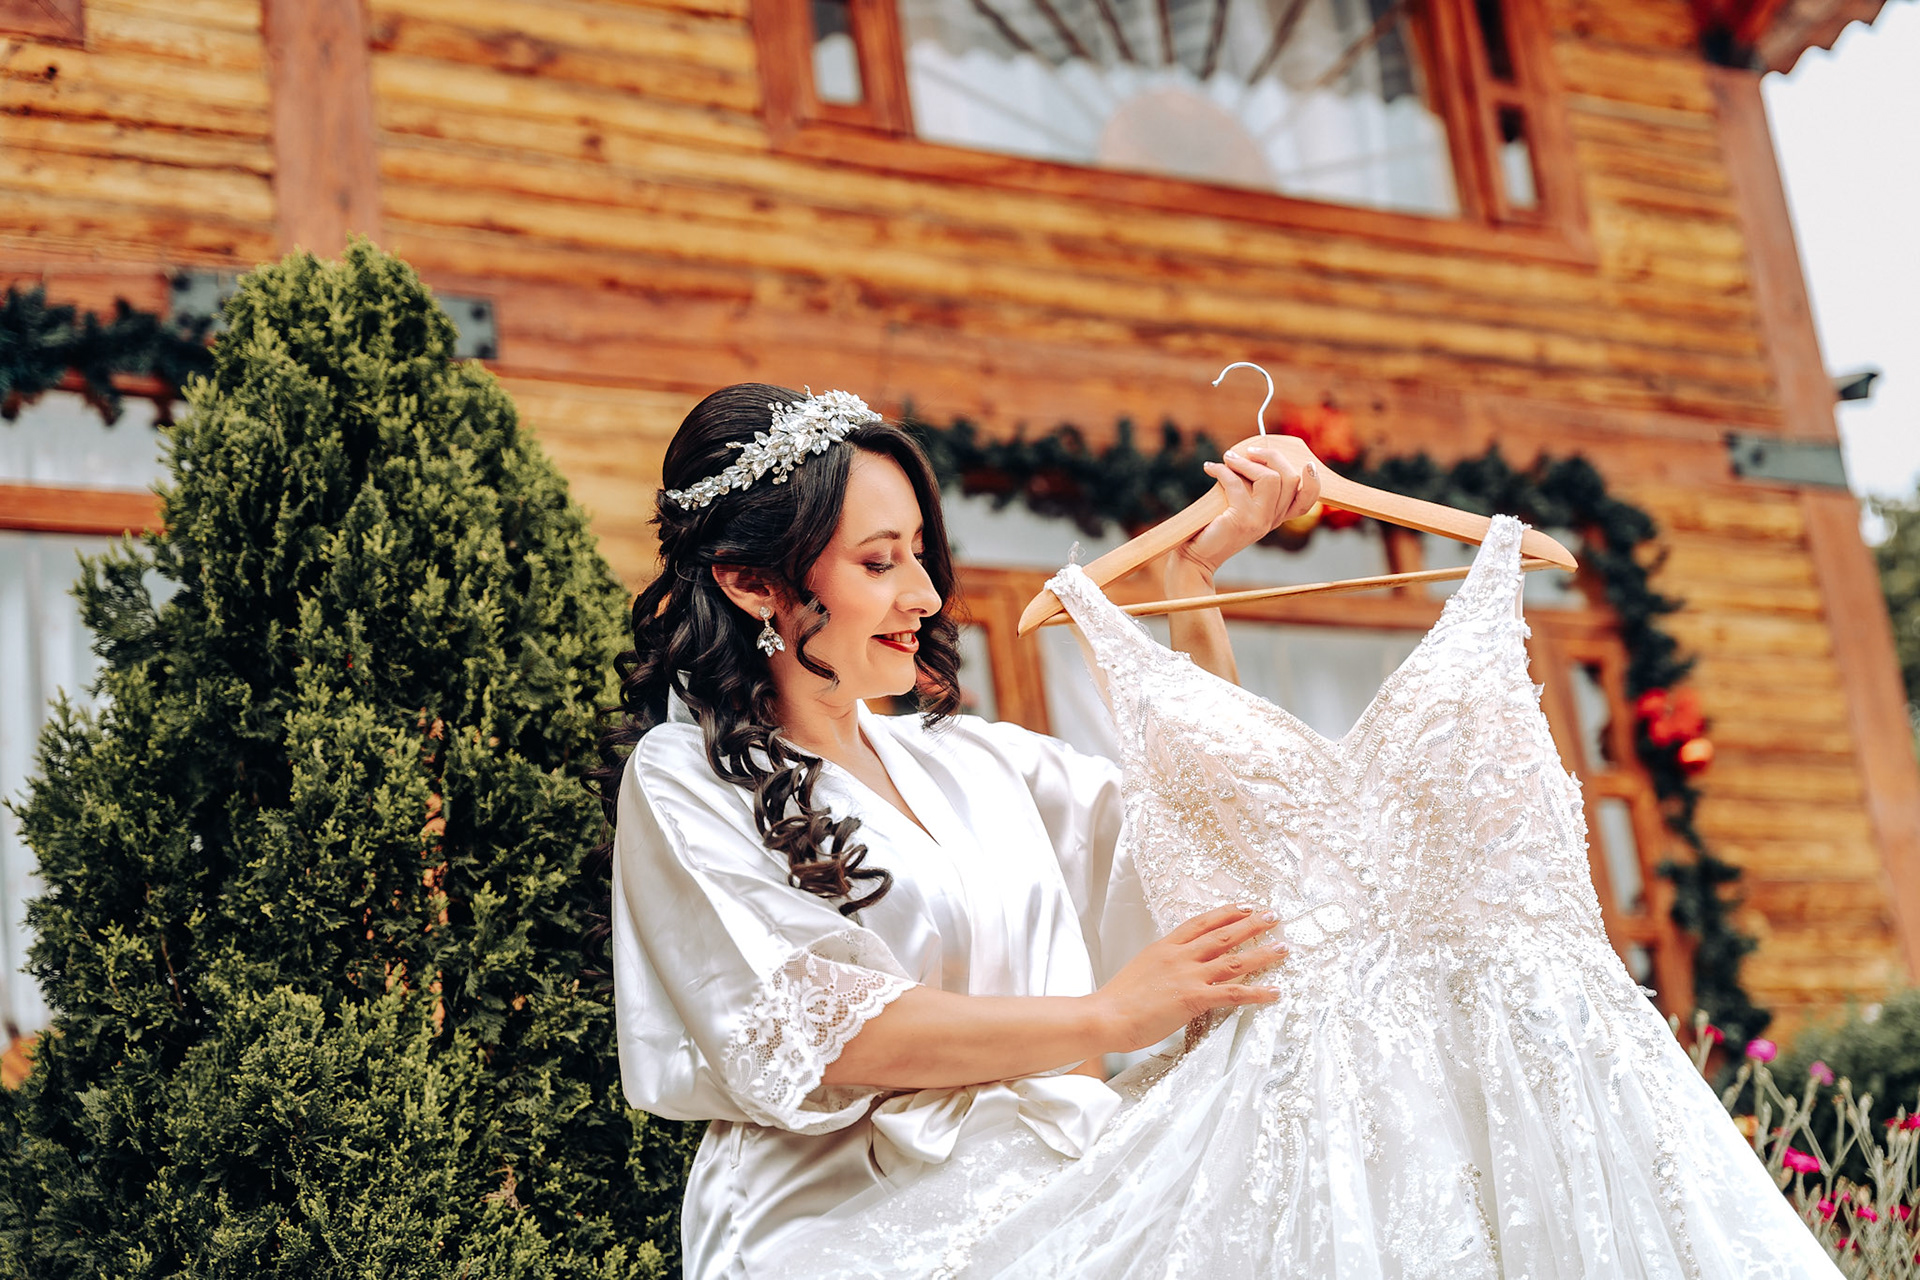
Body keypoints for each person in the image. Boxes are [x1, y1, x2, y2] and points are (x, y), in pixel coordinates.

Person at [592, 383, 1320, 1280]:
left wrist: (1193, 582)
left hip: (1065, 1187)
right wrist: (1107, 1016)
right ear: (751, 582)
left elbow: (1208, 830)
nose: (926, 595)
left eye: (919, 554)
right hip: (841, 1226)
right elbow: (819, 1030)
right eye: (878, 563)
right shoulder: (687, 778)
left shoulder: (974, 760)